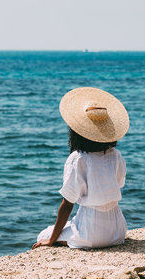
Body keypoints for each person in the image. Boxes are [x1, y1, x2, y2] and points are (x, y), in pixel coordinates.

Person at [32, 87, 129, 249]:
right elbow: (118, 184)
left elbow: (68, 204)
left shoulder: (78, 159)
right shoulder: (115, 155)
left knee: (44, 234)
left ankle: (65, 238)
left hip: (91, 234)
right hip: (118, 230)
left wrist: (51, 241)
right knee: (73, 223)